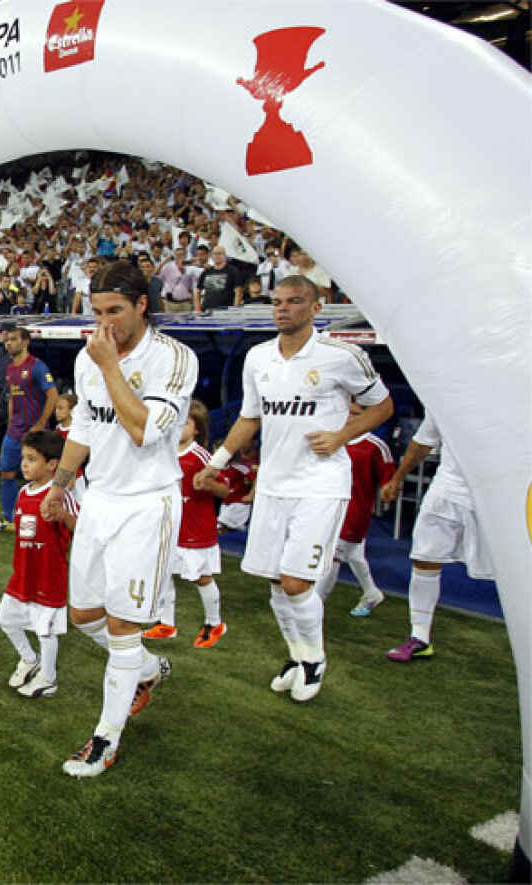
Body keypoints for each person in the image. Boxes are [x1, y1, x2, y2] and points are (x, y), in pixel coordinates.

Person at [196, 275, 393, 702]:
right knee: (273, 581)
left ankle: (315, 660)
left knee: (295, 582)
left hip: (320, 485)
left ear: (316, 308)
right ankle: (296, 656)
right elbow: (250, 418)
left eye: (295, 301)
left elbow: (383, 406)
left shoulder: (343, 355)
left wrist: (343, 435)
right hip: (272, 484)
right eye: (278, 302)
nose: (283, 308)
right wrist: (216, 462)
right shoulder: (258, 357)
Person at [41, 259, 198, 777]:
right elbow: (85, 425)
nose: (104, 324)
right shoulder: (91, 358)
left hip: (147, 503)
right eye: (97, 311)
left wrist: (110, 365)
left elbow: (145, 431)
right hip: (100, 498)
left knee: (123, 625)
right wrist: (59, 484)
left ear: (142, 306)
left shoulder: (173, 358)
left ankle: (104, 740)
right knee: (84, 615)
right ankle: (150, 672)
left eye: (115, 311)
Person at [380, 415, 492, 662]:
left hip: (494, 495)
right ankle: (419, 637)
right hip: (447, 490)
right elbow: (422, 442)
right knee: (424, 558)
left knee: (514, 572)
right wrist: (397, 478)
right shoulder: (445, 394)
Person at [0, 430, 79, 699]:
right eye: (23, 458)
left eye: (32, 459)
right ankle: (30, 659)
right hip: (23, 572)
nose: (24, 464)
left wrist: (63, 515)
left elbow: (81, 527)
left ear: (52, 465)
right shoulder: (22, 492)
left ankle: (48, 678)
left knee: (45, 630)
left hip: (48, 573)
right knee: (6, 619)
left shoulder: (60, 495)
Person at [144, 400, 229, 648]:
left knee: (201, 577)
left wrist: (209, 484)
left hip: (196, 529)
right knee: (164, 574)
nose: (179, 427)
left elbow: (225, 489)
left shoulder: (202, 456)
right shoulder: (165, 453)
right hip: (169, 528)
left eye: (186, 422)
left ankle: (214, 624)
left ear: (197, 429)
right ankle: (166, 623)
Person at [312, 404, 395, 616]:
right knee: (353, 555)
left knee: (335, 555)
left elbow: (389, 477)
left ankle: (316, 603)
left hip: (356, 510)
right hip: (330, 506)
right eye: (347, 412)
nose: (349, 417)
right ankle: (372, 593)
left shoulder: (374, 446)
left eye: (355, 413)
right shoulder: (334, 440)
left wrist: (389, 489)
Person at [0, 327, 58, 533]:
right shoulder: (9, 368)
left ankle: (46, 516)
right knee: (6, 473)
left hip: (36, 434)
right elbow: (12, 400)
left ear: (26, 342)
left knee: (40, 476)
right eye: (7, 340)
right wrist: (10, 425)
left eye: (14, 339)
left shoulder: (37, 366)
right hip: (15, 432)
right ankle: (10, 519)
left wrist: (40, 423)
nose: (9, 343)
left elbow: (53, 396)